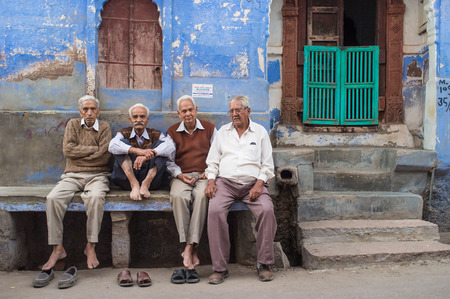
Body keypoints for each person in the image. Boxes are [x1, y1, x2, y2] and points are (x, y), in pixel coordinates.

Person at [34, 95, 112, 287]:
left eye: (93, 109)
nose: (89, 113)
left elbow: (104, 156)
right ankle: (57, 248)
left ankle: (90, 245)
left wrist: (81, 154)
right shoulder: (72, 125)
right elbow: (68, 150)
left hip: (98, 176)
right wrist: (91, 151)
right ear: (80, 111)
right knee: (53, 198)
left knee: (95, 198)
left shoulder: (105, 127)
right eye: (85, 109)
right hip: (72, 176)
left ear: (98, 111)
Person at [205, 95, 277, 284]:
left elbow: (268, 165)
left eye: (238, 110)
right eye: (231, 111)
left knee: (267, 211)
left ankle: (264, 263)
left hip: (253, 185)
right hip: (225, 184)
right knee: (214, 211)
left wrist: (259, 184)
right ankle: (220, 268)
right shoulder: (222, 133)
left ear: (248, 111)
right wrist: (211, 181)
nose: (234, 114)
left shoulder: (260, 132)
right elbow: (212, 161)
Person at [165, 95, 216, 284]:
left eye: (190, 110)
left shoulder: (210, 128)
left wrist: (209, 172)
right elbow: (169, 161)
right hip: (182, 175)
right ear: (179, 113)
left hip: (204, 174)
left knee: (203, 196)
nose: (187, 114)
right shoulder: (171, 132)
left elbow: (218, 154)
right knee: (178, 196)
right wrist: (179, 175)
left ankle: (188, 248)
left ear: (196, 110)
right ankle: (190, 246)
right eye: (183, 111)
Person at [108, 103, 172, 200]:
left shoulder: (156, 134)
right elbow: (112, 146)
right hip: (126, 180)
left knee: (161, 147)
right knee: (120, 144)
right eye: (135, 117)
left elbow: (170, 147)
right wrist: (138, 151)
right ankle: (134, 184)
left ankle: (145, 184)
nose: (138, 120)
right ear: (130, 120)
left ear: (147, 119)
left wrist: (147, 155)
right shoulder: (124, 133)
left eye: (142, 116)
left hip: (151, 181)